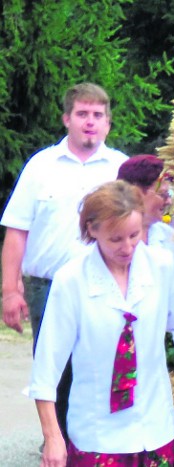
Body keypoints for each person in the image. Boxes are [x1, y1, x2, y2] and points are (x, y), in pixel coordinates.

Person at [29, 181, 174, 466]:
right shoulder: (71, 280)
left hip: (156, 428)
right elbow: (47, 367)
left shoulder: (161, 266)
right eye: (115, 239)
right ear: (92, 230)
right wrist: (52, 436)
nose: (127, 247)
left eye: (134, 235)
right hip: (97, 434)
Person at [1, 82, 128, 441]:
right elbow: (16, 233)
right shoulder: (41, 167)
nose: (90, 122)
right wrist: (11, 291)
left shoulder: (121, 169)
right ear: (67, 119)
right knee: (54, 373)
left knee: (104, 370)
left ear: (108, 123)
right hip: (49, 289)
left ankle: (96, 448)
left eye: (98, 116)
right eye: (82, 114)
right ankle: (56, 447)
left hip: (107, 287)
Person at [116, 154, 174, 275]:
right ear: (135, 193)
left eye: (169, 195)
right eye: (163, 194)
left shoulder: (168, 234)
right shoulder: (109, 237)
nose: (169, 201)